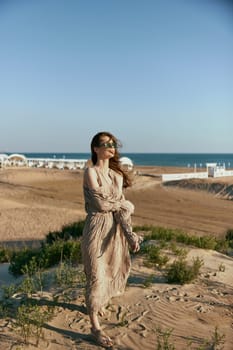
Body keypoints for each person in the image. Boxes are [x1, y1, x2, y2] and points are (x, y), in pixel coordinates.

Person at [81, 131, 141, 348]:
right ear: (96, 148)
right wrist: (123, 204)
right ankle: (95, 327)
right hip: (96, 228)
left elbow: (122, 211)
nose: (111, 146)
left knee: (109, 271)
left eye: (113, 143)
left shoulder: (116, 176)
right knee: (95, 273)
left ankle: (95, 304)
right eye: (105, 143)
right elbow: (101, 205)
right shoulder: (90, 172)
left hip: (114, 232)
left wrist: (130, 234)